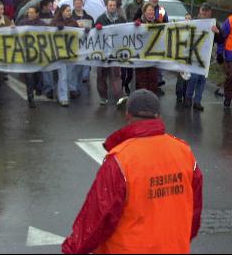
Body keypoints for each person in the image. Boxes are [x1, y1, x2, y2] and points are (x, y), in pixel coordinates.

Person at [62, 89, 203, 254]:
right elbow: (194, 209)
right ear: (158, 116)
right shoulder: (183, 152)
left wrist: (73, 248)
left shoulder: (121, 160)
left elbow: (99, 216)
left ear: (127, 115)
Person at [183, 4, 223, 110]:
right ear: (199, 10)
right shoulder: (194, 21)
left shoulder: (214, 23)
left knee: (202, 78)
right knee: (194, 77)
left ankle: (197, 101)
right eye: (203, 10)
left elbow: (221, 40)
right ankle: (188, 97)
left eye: (207, 10)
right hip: (193, 55)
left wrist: (217, 33)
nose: (204, 12)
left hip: (206, 56)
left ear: (210, 12)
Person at [95, 0, 126, 105]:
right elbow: (93, 34)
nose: (112, 7)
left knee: (116, 75)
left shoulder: (121, 19)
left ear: (116, 7)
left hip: (115, 51)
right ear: (107, 6)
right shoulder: (101, 18)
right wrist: (97, 28)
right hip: (103, 51)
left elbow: (127, 31)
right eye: (110, 5)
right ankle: (103, 97)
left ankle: (119, 97)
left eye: (114, 5)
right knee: (101, 75)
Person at [18, 6, 47, 108]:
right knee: (29, 77)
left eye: (32, 13)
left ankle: (39, 88)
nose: (30, 14)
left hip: (39, 54)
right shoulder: (23, 23)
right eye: (29, 13)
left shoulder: (42, 24)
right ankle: (30, 98)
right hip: (27, 54)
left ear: (37, 14)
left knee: (38, 75)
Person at [52, 4, 80, 107]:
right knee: (62, 76)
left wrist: (85, 31)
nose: (69, 13)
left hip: (71, 52)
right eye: (67, 11)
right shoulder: (55, 22)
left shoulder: (73, 22)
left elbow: (79, 35)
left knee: (70, 74)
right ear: (62, 11)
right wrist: (56, 29)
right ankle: (63, 97)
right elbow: (48, 33)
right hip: (59, 53)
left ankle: (71, 89)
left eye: (70, 11)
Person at [134, 4, 159, 94]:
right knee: (142, 77)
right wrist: (136, 26)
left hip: (153, 55)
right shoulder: (138, 22)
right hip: (141, 55)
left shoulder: (158, 22)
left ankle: (151, 96)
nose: (151, 12)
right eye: (149, 10)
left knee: (153, 77)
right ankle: (142, 96)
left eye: (152, 10)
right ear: (144, 12)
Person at [72, 0, 95, 88]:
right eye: (76, 3)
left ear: (82, 4)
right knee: (77, 64)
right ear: (74, 5)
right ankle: (75, 83)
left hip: (86, 43)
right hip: (75, 43)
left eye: (79, 3)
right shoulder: (71, 17)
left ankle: (85, 76)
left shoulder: (89, 17)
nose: (78, 5)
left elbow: (93, 30)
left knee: (85, 61)